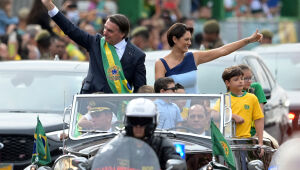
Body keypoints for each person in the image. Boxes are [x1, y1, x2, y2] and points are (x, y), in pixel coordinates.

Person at [41, 0, 146, 94]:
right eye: (105, 28)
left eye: (110, 31)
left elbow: (140, 89)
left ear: (122, 34)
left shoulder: (137, 55)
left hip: (119, 108)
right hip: (91, 104)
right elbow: (71, 30)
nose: (104, 33)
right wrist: (50, 6)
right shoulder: (96, 43)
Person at [155, 23, 263, 94]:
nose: (190, 43)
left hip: (196, 113)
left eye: (190, 39)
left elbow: (223, 50)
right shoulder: (161, 64)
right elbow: (160, 93)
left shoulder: (194, 57)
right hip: (175, 113)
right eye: (186, 39)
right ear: (174, 39)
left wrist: (248, 40)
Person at [124, 98, 186, 169]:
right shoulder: (119, 144)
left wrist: (176, 166)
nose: (138, 126)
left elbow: (177, 162)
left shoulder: (161, 144)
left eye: (144, 122)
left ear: (153, 122)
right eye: (134, 121)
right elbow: (108, 157)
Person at [221, 66, 264, 157]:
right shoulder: (224, 98)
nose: (241, 81)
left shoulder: (252, 98)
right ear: (227, 83)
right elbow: (215, 114)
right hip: (228, 143)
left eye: (242, 78)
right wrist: (232, 116)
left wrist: (260, 143)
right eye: (236, 79)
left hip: (246, 141)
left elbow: (258, 119)